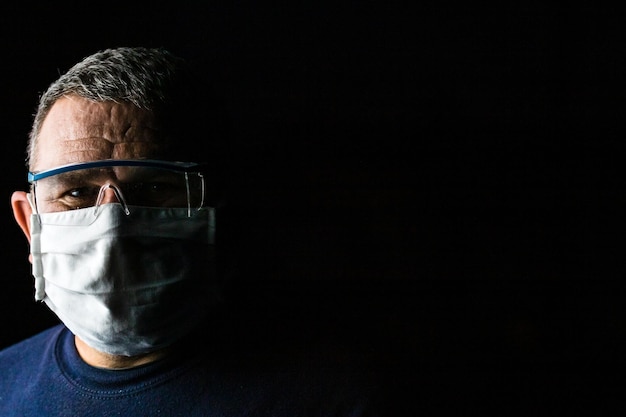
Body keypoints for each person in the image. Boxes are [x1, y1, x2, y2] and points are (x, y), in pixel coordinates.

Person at [0, 46, 381, 416]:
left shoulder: (331, 399)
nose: (111, 227)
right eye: (77, 192)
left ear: (221, 206)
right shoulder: (4, 386)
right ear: (28, 223)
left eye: (153, 188)